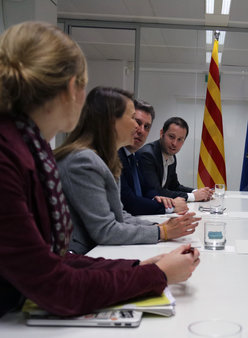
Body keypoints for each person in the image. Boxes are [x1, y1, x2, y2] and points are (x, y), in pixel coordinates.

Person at [0, 21, 199, 318]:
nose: (137, 127)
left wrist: (141, 266)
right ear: (72, 89)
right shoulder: (11, 159)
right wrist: (156, 275)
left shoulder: (26, 150)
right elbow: (56, 285)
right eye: (133, 118)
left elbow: (51, 263)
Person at [55, 87, 200, 255]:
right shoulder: (84, 160)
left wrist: (160, 227)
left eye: (145, 125)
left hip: (97, 251)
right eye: (133, 118)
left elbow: (120, 215)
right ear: (110, 121)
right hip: (81, 255)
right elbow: (105, 230)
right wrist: (162, 232)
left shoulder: (107, 159)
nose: (138, 128)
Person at [118, 99, 188, 215]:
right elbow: (129, 202)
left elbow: (147, 190)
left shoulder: (132, 157)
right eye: (137, 123)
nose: (141, 130)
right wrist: (170, 207)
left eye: (147, 127)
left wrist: (164, 200)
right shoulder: (116, 156)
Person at [138, 117, 213, 202]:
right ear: (162, 133)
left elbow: (174, 186)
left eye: (180, 139)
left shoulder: (171, 156)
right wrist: (193, 196)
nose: (174, 143)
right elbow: (155, 192)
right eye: (171, 137)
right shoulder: (147, 155)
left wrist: (198, 192)